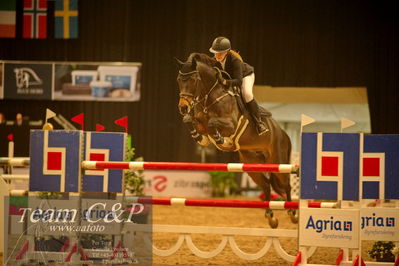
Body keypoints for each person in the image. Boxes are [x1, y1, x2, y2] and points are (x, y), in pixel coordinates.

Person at [209, 36, 268, 135]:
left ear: (226, 52)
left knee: (247, 94)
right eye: (215, 53)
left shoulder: (234, 60)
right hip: (230, 79)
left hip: (245, 76)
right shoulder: (214, 61)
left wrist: (224, 82)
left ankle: (259, 123)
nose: (217, 55)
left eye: (220, 53)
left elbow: (238, 81)